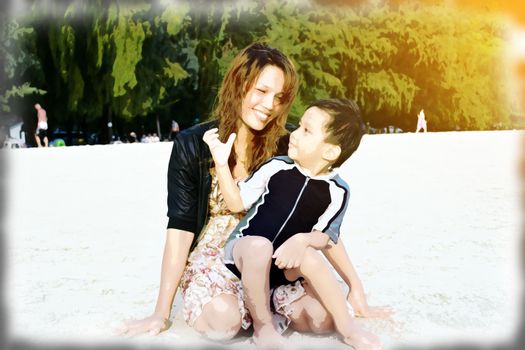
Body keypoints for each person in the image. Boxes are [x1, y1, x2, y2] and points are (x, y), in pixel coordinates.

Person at [120, 43, 391, 345]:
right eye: (261, 91)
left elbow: (319, 213)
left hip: (276, 253)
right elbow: (180, 228)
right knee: (224, 323)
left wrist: (355, 286)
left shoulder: (290, 141)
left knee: (321, 319)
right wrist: (161, 312)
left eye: (279, 97)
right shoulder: (193, 143)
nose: (269, 105)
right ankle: (254, 314)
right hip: (219, 257)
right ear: (239, 84)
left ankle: (266, 305)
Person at [204, 98, 381, 349]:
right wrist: (221, 163)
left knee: (311, 265)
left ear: (330, 152)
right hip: (244, 254)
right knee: (260, 247)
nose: (294, 134)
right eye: (299, 126)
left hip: (283, 266)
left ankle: (348, 327)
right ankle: (262, 326)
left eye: (306, 131)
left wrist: (303, 240)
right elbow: (236, 203)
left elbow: (326, 235)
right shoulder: (277, 168)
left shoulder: (338, 191)